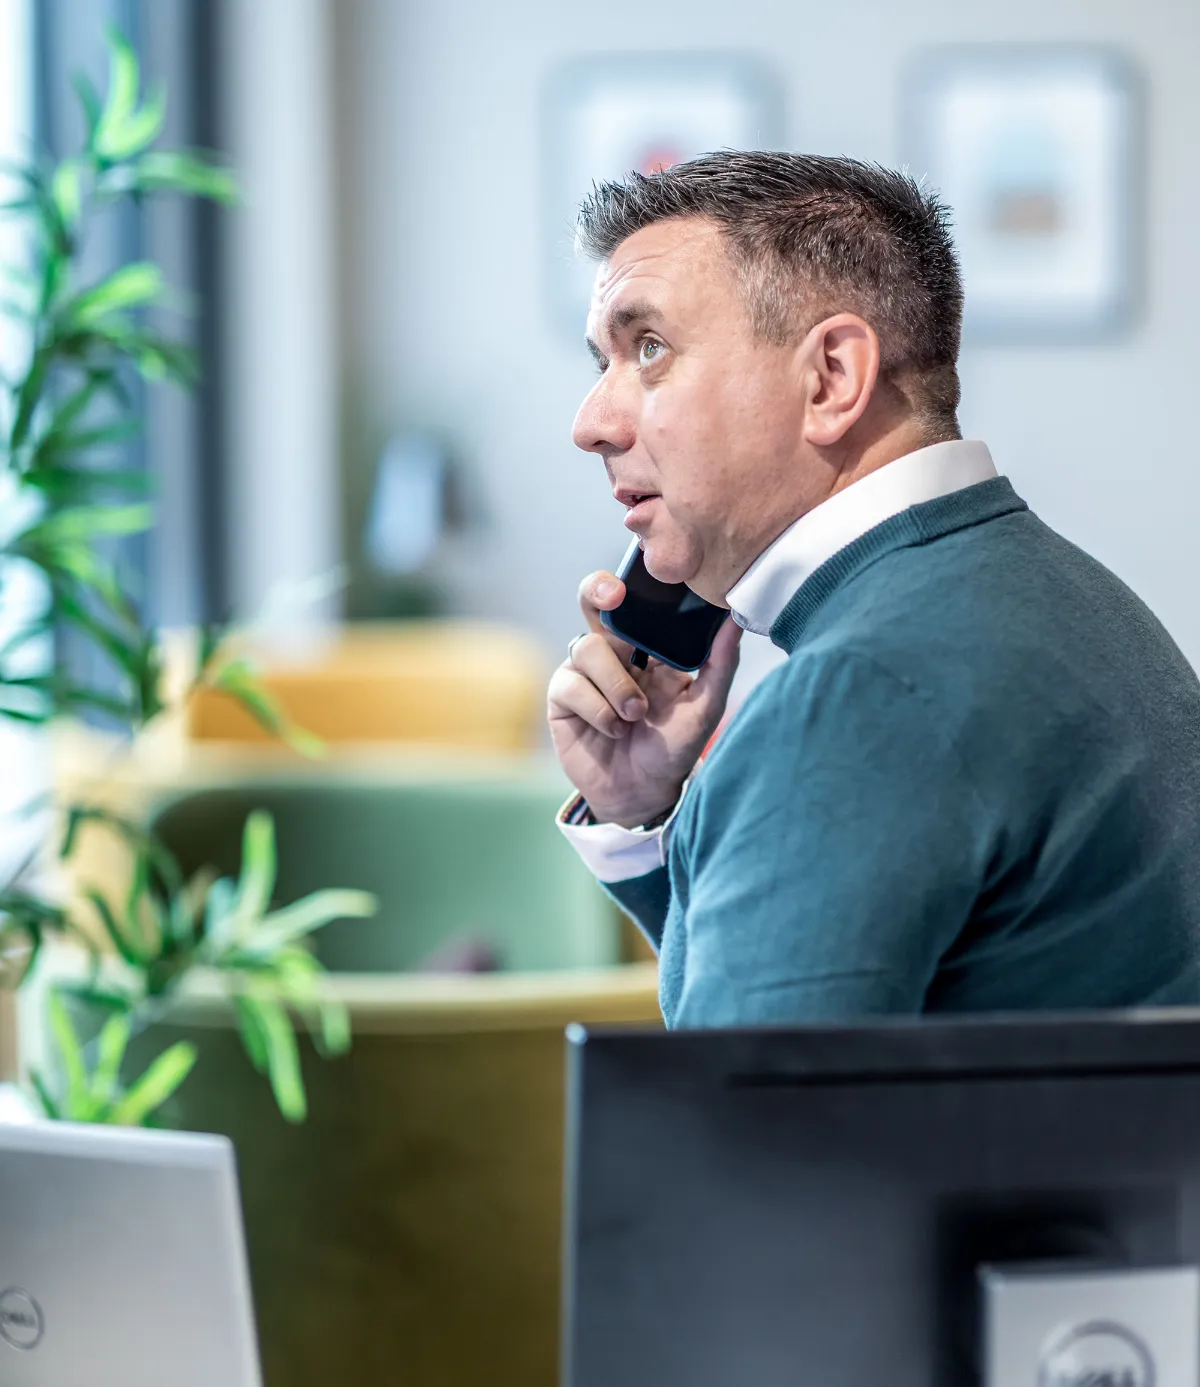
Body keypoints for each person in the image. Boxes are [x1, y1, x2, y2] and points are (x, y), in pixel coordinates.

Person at [546, 151, 1200, 1027]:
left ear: (832, 379)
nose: (591, 423)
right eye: (603, 361)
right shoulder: (1078, 599)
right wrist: (644, 816)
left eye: (649, 348)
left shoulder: (854, 700)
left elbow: (746, 1134)